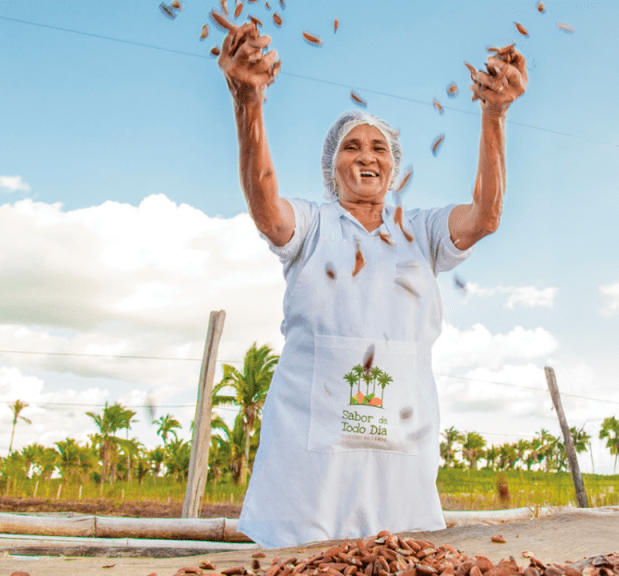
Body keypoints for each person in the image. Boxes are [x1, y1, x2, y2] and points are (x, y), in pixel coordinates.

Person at [216, 20, 527, 548]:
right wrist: (249, 102)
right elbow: (268, 210)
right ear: (331, 166)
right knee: (298, 559)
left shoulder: (421, 231)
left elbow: (485, 216)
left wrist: (494, 115)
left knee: (399, 554)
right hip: (307, 457)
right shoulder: (313, 225)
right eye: (352, 147)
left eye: (379, 147)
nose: (366, 155)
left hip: (398, 450)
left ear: (394, 168)